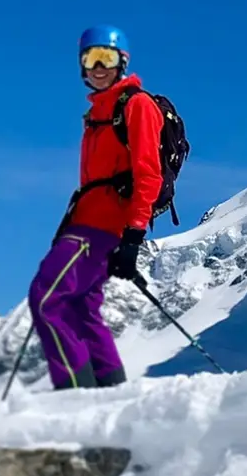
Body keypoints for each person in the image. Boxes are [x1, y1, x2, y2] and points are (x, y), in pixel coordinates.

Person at [26, 24, 163, 390]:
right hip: (85, 221)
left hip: (101, 228)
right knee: (82, 308)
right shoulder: (97, 114)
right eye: (90, 59)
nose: (98, 67)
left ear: (122, 62)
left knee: (47, 297)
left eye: (106, 58)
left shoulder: (136, 105)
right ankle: (110, 396)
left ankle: (74, 394)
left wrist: (133, 235)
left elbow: (148, 174)